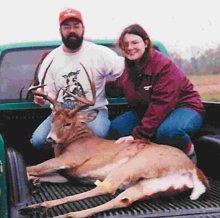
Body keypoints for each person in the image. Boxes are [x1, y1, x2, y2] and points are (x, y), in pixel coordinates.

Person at [106, 24, 205, 163]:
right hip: (149, 110)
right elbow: (118, 87)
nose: (129, 47)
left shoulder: (163, 65)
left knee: (169, 132)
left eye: (134, 42)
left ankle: (189, 156)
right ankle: (146, 159)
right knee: (117, 128)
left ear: (146, 43)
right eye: (125, 44)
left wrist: (137, 135)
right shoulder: (130, 67)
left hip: (183, 107)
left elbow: (162, 104)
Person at [31, 7, 124, 149]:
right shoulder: (51, 59)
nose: (72, 30)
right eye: (67, 27)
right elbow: (48, 92)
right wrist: (41, 98)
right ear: (60, 31)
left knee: (98, 133)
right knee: (38, 140)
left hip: (91, 111)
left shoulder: (100, 53)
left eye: (76, 26)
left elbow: (124, 71)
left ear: (83, 29)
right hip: (61, 113)